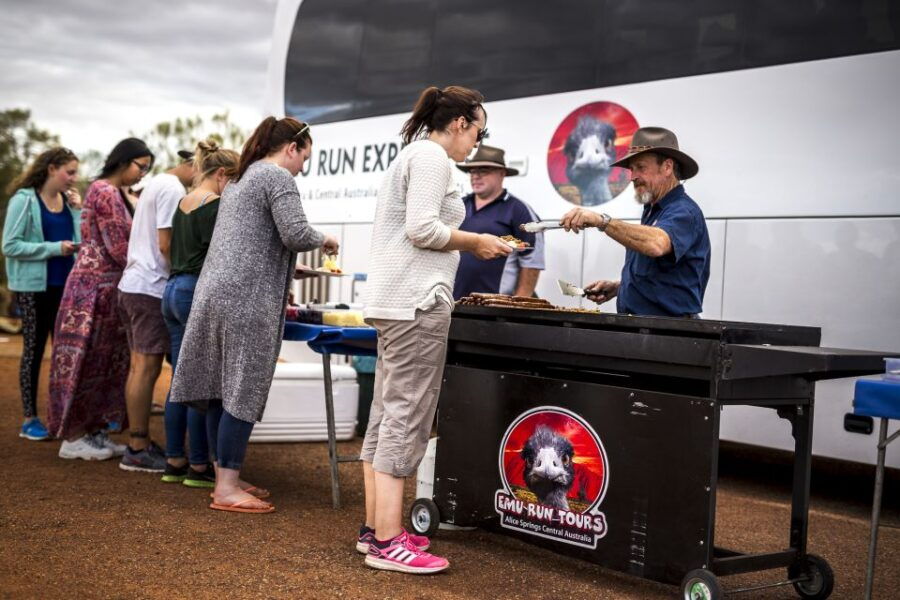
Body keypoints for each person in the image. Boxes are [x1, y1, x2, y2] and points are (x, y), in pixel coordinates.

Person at [361, 85, 511, 574]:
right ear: (461, 123)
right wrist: (477, 242)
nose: (477, 143)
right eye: (479, 131)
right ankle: (388, 542)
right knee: (407, 416)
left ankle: (376, 530)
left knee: (387, 414)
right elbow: (422, 229)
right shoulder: (432, 158)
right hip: (418, 301)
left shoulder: (412, 155)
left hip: (395, 301)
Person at [169, 117, 338, 513]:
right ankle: (226, 488)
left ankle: (225, 475)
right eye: (304, 158)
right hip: (246, 301)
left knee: (218, 388)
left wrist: (287, 266)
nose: (302, 168)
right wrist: (325, 238)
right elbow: (295, 233)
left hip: (214, 293)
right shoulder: (277, 177)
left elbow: (252, 241)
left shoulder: (240, 178)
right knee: (242, 388)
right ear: (292, 148)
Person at [48, 138, 154, 460]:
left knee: (102, 363)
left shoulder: (113, 192)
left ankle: (92, 431)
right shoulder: (105, 191)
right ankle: (74, 437)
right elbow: (119, 245)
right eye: (140, 166)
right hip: (93, 290)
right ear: (123, 160)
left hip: (105, 289)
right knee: (87, 359)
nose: (142, 174)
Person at [560, 126, 711, 318]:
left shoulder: (684, 211)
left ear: (667, 167)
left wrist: (601, 221)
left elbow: (656, 244)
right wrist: (619, 287)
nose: (632, 177)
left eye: (641, 167)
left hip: (668, 330)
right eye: (631, 169)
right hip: (649, 328)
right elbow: (661, 275)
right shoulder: (653, 210)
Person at [160, 140, 239, 488]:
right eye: (233, 180)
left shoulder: (184, 202)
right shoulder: (215, 205)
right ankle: (198, 464)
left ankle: (174, 460)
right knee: (200, 384)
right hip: (194, 292)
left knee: (180, 381)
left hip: (172, 291)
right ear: (221, 174)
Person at [117, 150, 196, 473]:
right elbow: (166, 244)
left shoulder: (158, 183)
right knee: (145, 369)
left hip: (135, 284)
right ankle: (137, 447)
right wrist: (184, 275)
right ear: (194, 165)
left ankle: (138, 443)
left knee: (140, 366)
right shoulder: (173, 189)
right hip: (150, 286)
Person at [2, 147, 81, 441]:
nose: (74, 178)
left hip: (67, 287)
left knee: (65, 353)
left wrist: (78, 211)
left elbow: (80, 241)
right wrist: (54, 248)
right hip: (33, 289)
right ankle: (29, 420)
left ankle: (62, 415)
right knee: (34, 351)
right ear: (51, 169)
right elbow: (10, 245)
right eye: (69, 172)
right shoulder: (24, 200)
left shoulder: (69, 203)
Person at [452, 144, 545, 299]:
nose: (476, 176)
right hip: (454, 302)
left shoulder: (518, 210)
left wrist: (521, 300)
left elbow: (532, 260)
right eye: (472, 171)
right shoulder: (459, 205)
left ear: (502, 173)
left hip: (496, 305)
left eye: (483, 171)